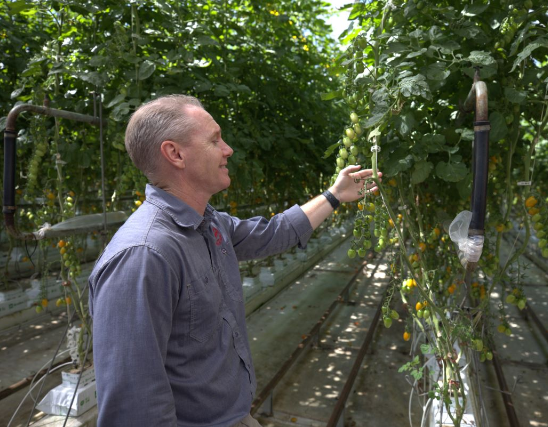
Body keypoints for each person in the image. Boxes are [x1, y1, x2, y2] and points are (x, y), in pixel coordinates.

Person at [88, 95, 380, 427]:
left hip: (236, 415)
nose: (228, 149)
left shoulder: (209, 224)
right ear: (175, 154)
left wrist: (334, 195)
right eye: (215, 139)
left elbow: (274, 233)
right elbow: (135, 410)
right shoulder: (143, 256)